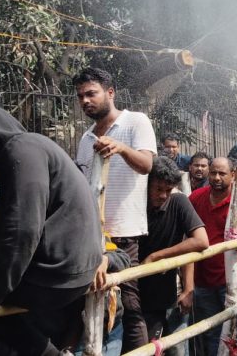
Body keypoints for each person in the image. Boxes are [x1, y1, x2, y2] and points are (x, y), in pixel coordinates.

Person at [0, 105, 103, 355]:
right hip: (72, 271)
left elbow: (23, 230)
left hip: (57, 276)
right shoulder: (28, 151)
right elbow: (4, 231)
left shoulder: (22, 149)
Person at [74, 67, 157, 351]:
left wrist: (120, 148)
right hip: (91, 237)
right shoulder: (85, 139)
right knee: (93, 302)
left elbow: (146, 165)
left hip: (124, 234)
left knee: (129, 304)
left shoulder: (136, 122)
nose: (85, 100)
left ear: (110, 93)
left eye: (91, 93)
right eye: (81, 96)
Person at [189, 157, 237, 355]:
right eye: (213, 172)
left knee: (236, 328)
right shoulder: (196, 197)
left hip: (233, 277)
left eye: (222, 173)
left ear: (233, 175)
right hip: (202, 277)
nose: (216, 177)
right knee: (210, 329)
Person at [139, 157, 209, 355]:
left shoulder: (178, 202)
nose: (163, 195)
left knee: (177, 349)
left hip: (169, 294)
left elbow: (200, 241)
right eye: (158, 189)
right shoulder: (134, 205)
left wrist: (188, 288)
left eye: (168, 190)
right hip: (138, 296)